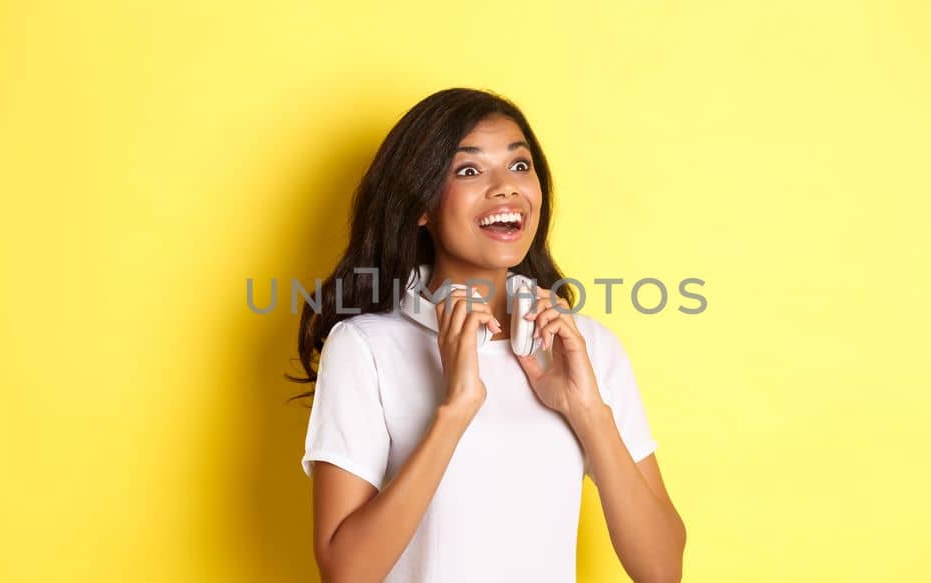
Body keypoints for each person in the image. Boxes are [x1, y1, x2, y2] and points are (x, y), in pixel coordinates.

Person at [291, 88, 686, 582]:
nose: (506, 189)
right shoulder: (365, 348)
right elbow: (346, 574)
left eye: (520, 167)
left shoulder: (582, 347)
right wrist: (454, 410)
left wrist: (588, 412)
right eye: (470, 171)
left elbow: (663, 569)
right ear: (422, 206)